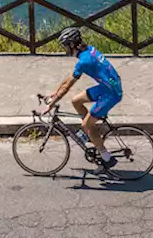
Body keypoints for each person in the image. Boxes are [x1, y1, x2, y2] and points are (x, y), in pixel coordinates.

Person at [45, 27, 123, 171]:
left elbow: (68, 85)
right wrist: (55, 93)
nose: (65, 49)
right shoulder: (89, 50)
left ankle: (106, 158)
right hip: (108, 87)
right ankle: (90, 131)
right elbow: (69, 78)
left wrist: (53, 103)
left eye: (65, 45)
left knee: (86, 124)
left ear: (72, 45)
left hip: (111, 94)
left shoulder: (84, 61)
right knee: (76, 101)